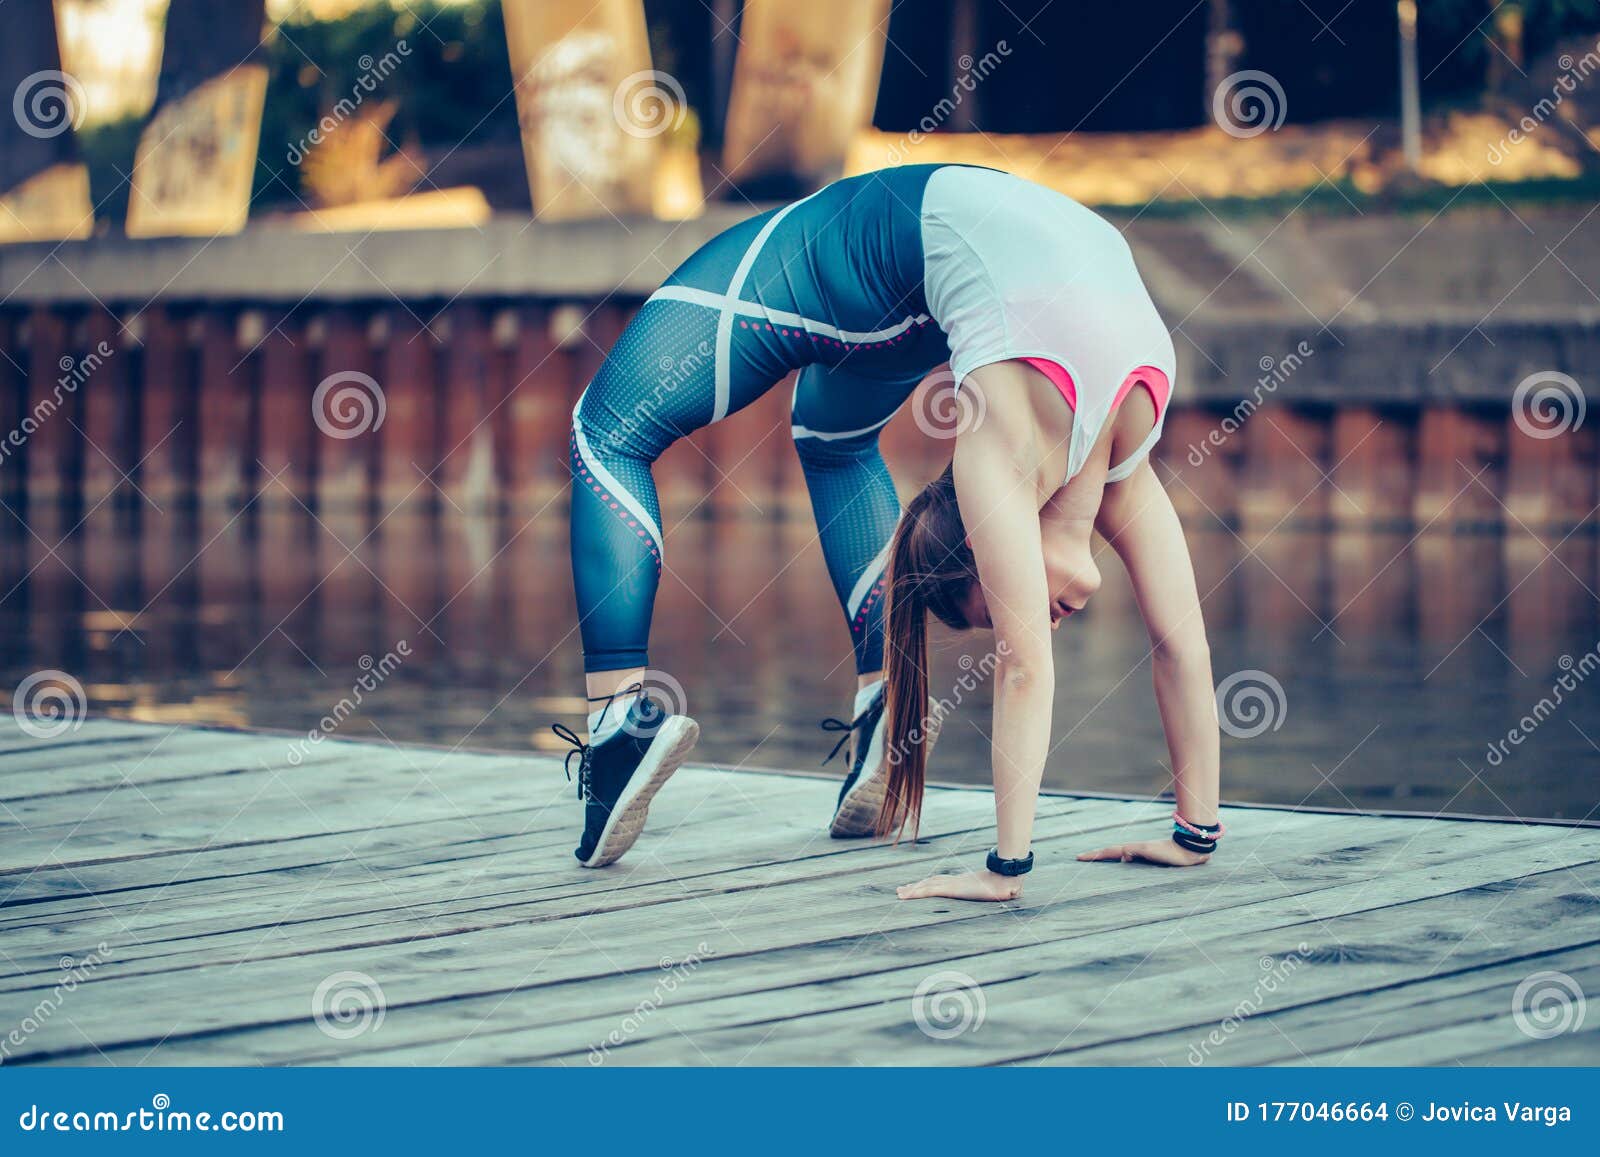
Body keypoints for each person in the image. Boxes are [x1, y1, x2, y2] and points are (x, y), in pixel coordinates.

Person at [553, 164, 1223, 891]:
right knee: (733, 430)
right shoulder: (1096, 453)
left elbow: (1140, 650)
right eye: (1000, 606)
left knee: (621, 431)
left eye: (998, 603)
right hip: (892, 260)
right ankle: (846, 710)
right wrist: (1031, 862)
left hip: (898, 262)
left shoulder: (1039, 452)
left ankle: (650, 722)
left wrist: (1031, 865)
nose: (1025, 615)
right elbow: (1098, 657)